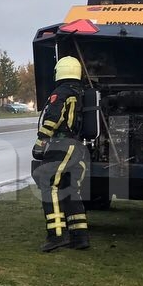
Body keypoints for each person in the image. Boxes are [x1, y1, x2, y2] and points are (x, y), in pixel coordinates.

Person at [32, 55, 90, 252]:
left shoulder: (61, 92)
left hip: (61, 144)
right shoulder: (82, 92)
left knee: (48, 183)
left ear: (60, 72)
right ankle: (80, 237)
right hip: (78, 146)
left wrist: (40, 142)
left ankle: (57, 235)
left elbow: (52, 119)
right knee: (70, 188)